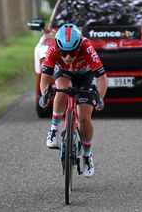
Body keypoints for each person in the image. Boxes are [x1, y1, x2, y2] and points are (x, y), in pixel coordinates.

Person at [39, 24, 108, 177]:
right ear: (58, 48)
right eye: (64, 52)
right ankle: (54, 129)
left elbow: (102, 78)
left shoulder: (87, 46)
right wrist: (44, 94)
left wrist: (99, 98)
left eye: (73, 52)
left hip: (86, 75)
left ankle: (87, 155)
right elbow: (44, 79)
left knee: (84, 118)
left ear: (79, 47)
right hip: (64, 73)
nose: (68, 57)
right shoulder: (52, 48)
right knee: (62, 89)